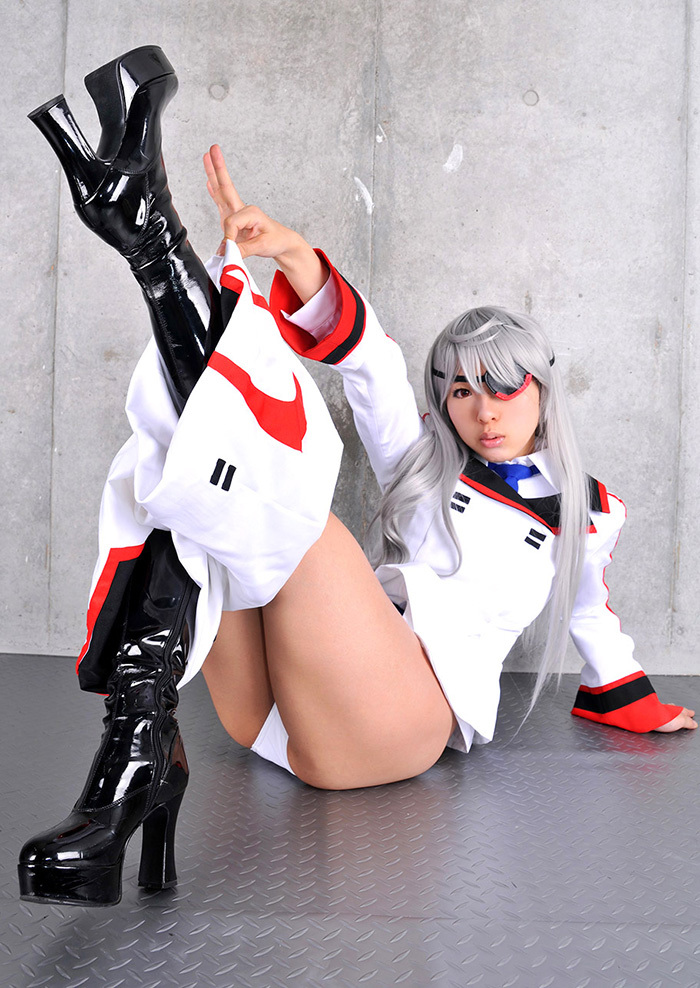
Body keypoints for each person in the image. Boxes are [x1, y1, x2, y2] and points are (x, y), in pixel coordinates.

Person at [18, 46, 695, 909]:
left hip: (402, 723)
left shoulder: (594, 512)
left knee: (285, 506)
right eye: (460, 391)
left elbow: (592, 616)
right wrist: (293, 253)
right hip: (277, 717)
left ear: (543, 389)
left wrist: (634, 703)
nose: (483, 410)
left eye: (504, 387)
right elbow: (369, 362)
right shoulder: (421, 461)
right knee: (197, 497)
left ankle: (150, 239)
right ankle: (137, 751)